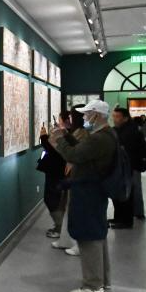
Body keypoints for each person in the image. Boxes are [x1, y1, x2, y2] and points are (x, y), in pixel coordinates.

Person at [49, 100, 116, 292]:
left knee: (89, 237)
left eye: (87, 114)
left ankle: (92, 285)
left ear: (97, 115)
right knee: (97, 235)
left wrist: (59, 139)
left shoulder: (99, 138)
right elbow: (82, 150)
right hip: (94, 191)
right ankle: (102, 280)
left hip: (89, 192)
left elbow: (74, 155)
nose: (84, 117)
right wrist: (66, 136)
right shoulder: (106, 135)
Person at [51, 108, 86, 255]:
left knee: (76, 208)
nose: (69, 119)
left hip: (79, 175)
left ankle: (77, 243)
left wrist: (57, 140)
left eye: (72, 117)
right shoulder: (77, 132)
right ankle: (66, 240)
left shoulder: (83, 133)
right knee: (68, 206)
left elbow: (73, 153)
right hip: (73, 173)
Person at [109, 107, 146, 228]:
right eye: (113, 116)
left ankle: (126, 220)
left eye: (117, 117)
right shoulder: (118, 130)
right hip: (123, 167)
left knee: (127, 193)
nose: (114, 119)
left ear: (125, 118)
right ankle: (119, 217)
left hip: (129, 167)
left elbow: (129, 152)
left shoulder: (131, 131)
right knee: (121, 192)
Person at [38, 113, 68, 238]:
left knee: (52, 199)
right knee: (54, 199)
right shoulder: (68, 133)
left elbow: (55, 151)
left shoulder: (66, 134)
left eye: (60, 120)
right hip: (57, 171)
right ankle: (59, 226)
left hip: (56, 171)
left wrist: (44, 137)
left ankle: (60, 227)